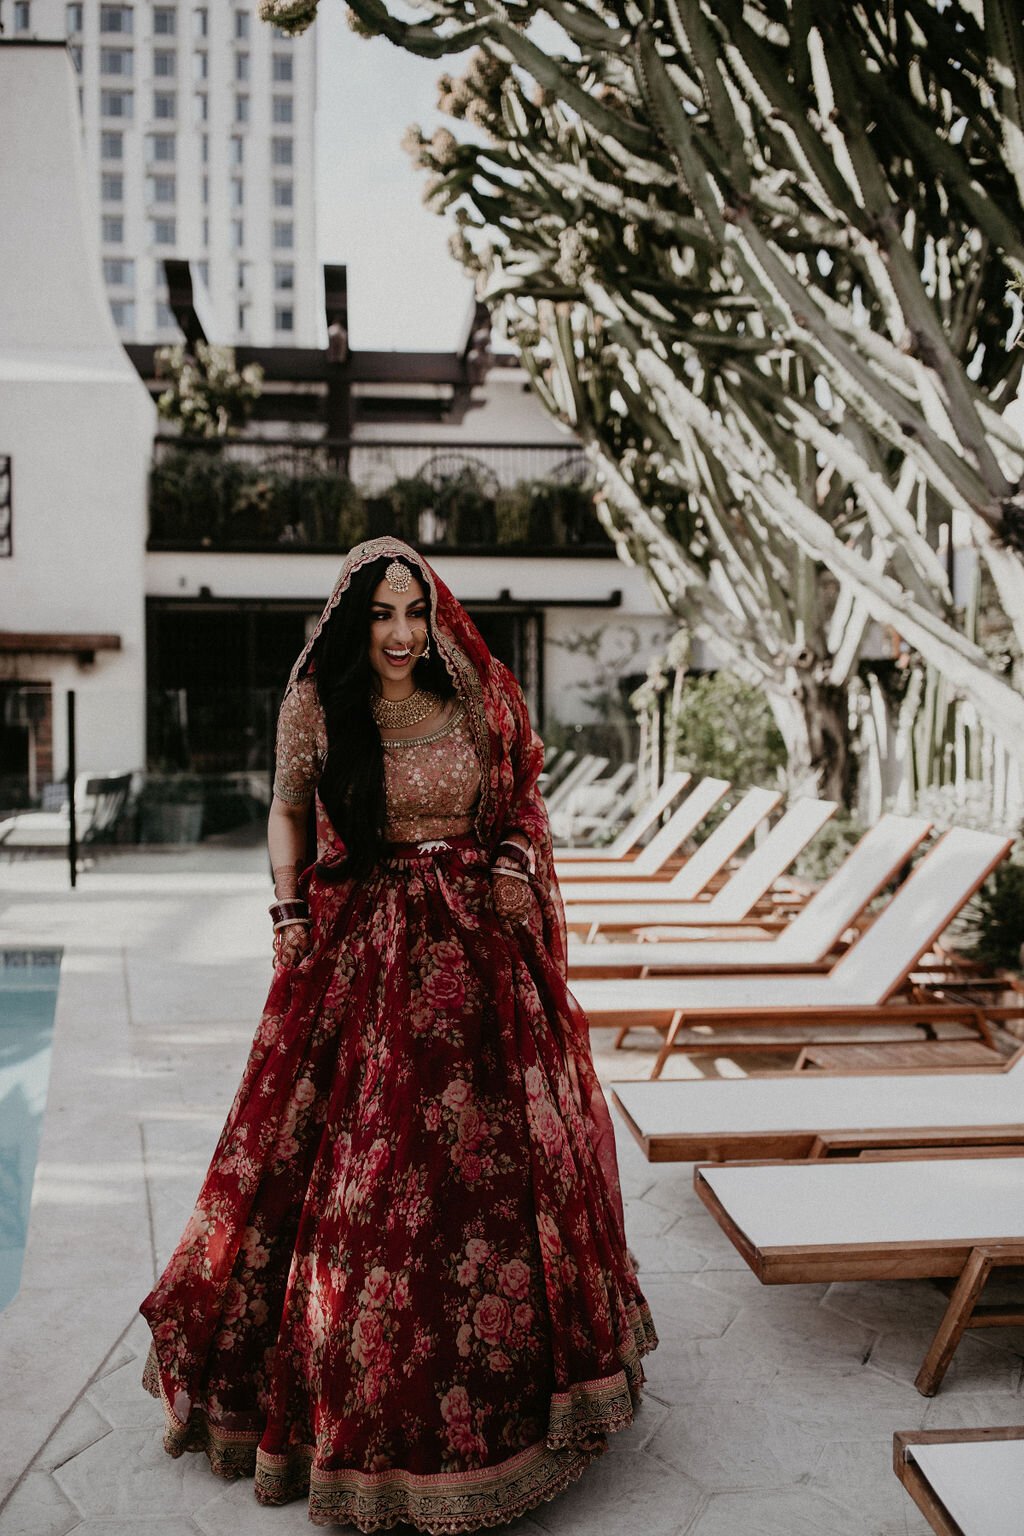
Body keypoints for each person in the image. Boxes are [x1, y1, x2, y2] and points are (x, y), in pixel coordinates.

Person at [140, 535, 656, 1532]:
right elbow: (288, 813)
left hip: (479, 965)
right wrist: (287, 913)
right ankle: (363, 1404)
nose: (399, 632)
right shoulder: (317, 708)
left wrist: (508, 859)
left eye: (412, 610)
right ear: (348, 620)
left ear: (434, 614)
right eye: (378, 612)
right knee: (372, 1172)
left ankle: (523, 1408)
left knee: (493, 1178)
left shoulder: (476, 699)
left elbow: (518, 798)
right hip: (370, 963)